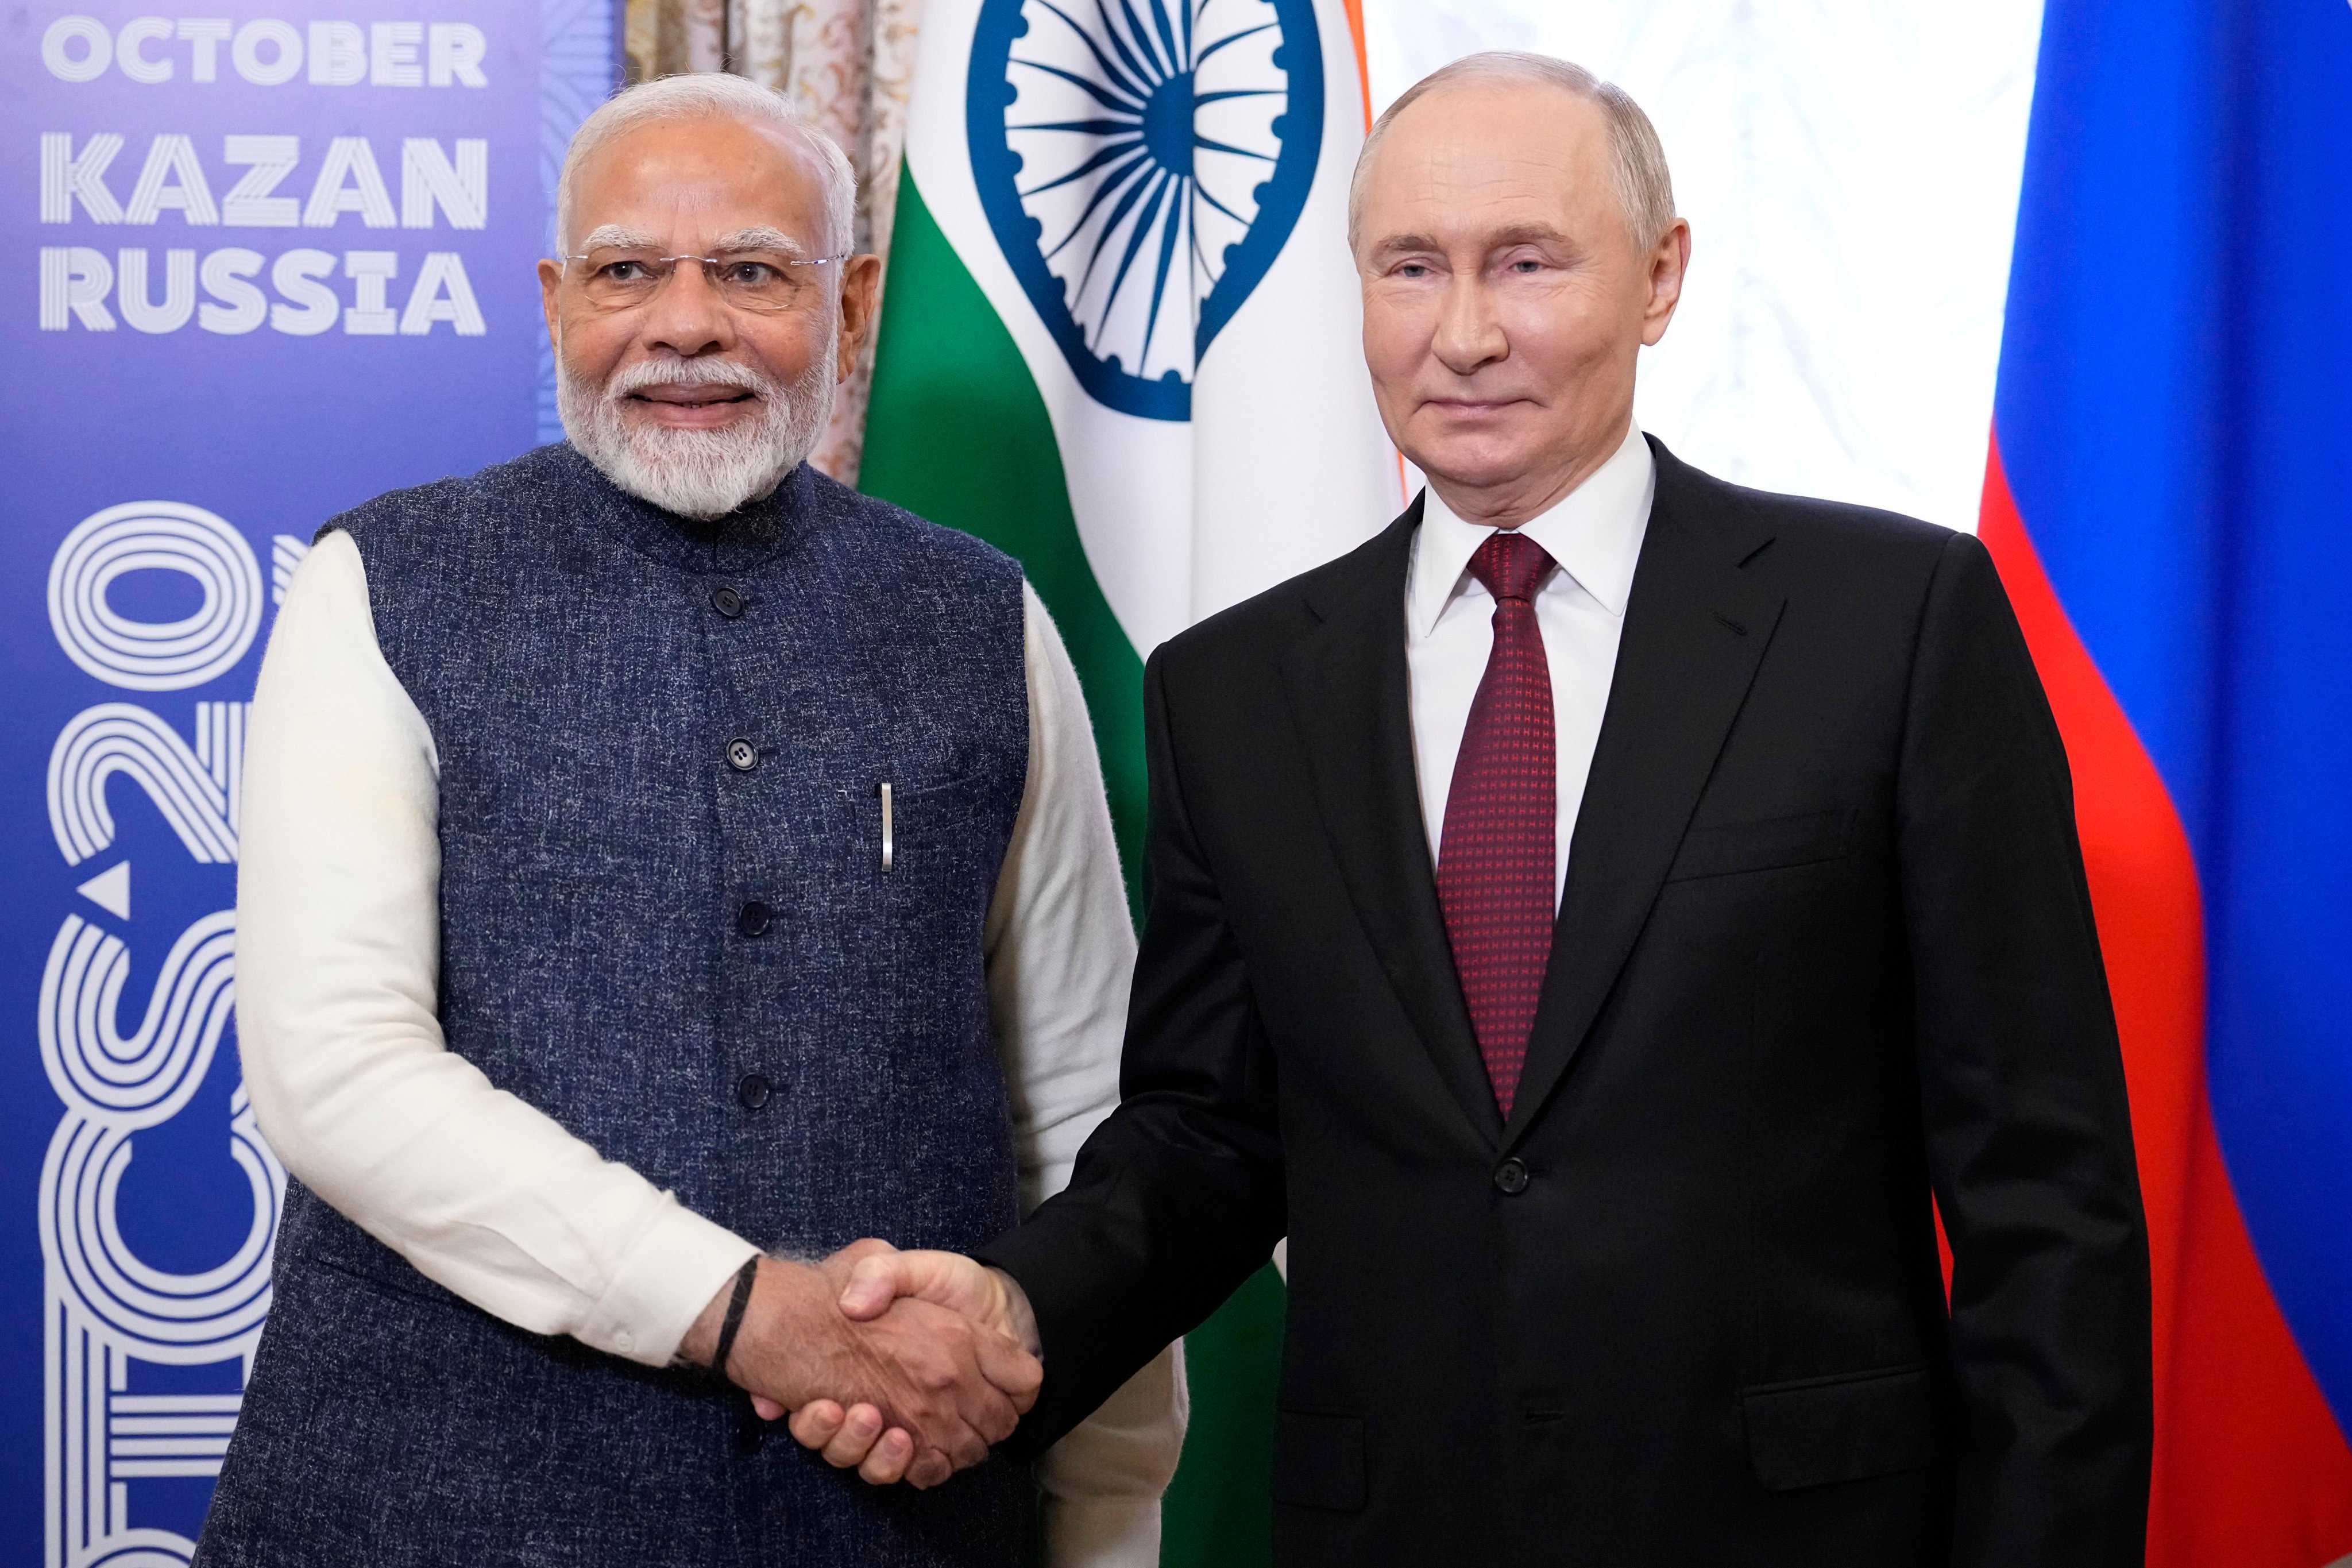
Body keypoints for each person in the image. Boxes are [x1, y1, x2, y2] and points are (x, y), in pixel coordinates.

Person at [802, 51, 2154, 1566]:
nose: (1463, 333)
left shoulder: (1891, 624)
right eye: (1410, 268)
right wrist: (1020, 1309)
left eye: (1526, 262)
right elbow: (1209, 1136)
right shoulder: (1233, 692)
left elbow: (2047, 1199)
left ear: (1659, 278)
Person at [195, 72, 1180, 1568]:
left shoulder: (985, 617)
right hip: (427, 1516)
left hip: (896, 1533)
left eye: (751, 272)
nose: (685, 323)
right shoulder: (383, 586)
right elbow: (336, 1067)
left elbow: (1083, 1105)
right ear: (555, 301)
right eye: (627, 272)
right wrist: (750, 1314)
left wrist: (1110, 1517)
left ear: (852, 311)